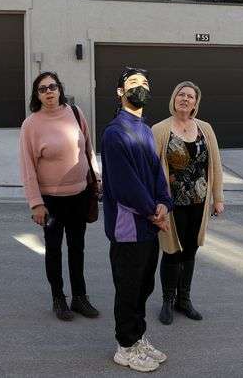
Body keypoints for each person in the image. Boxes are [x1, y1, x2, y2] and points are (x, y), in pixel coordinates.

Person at [101, 67, 173, 372]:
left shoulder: (145, 129)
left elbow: (157, 172)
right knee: (129, 287)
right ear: (120, 92)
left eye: (144, 83)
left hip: (148, 223)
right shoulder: (115, 132)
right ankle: (126, 346)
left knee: (144, 286)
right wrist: (151, 212)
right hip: (129, 228)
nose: (139, 87)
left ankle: (139, 336)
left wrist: (164, 202)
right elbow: (123, 184)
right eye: (133, 83)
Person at [19, 71, 100, 322]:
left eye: (52, 86)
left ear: (60, 89)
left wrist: (96, 178)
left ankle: (79, 297)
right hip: (51, 201)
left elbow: (88, 147)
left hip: (79, 194)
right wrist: (36, 203)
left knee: (78, 248)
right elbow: (27, 167)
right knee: (54, 250)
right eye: (42, 89)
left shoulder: (75, 113)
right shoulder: (31, 124)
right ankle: (58, 299)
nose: (49, 92)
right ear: (37, 95)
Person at [151, 81, 225, 325]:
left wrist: (218, 198)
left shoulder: (205, 129)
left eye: (190, 96)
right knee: (172, 252)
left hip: (198, 203)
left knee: (191, 250)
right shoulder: (160, 129)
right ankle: (167, 301)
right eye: (181, 95)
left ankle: (184, 299)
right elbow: (152, 169)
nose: (185, 99)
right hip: (171, 205)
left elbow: (215, 164)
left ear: (196, 102)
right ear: (174, 99)